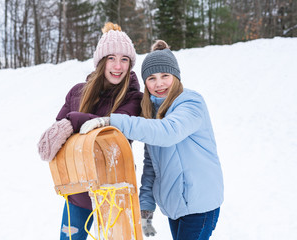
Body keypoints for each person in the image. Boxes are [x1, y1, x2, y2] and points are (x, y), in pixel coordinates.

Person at [80, 40, 224, 240]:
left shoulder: (190, 102)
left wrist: (111, 120)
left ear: (176, 76)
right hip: (177, 206)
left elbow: (168, 132)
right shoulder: (154, 113)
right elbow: (152, 165)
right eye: (152, 78)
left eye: (165, 76)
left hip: (200, 205)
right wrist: (146, 206)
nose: (159, 84)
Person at [45, 22, 143, 240]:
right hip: (78, 192)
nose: (118, 66)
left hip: (114, 191)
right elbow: (59, 132)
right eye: (111, 58)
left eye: (124, 59)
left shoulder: (134, 98)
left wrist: (74, 121)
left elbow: (114, 130)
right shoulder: (77, 93)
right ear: (101, 61)